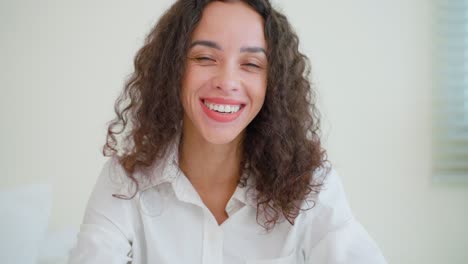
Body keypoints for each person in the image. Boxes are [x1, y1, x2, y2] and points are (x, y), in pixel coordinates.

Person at [68, 0, 387, 263]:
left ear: (271, 84)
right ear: (173, 69)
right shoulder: (125, 183)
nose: (227, 81)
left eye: (251, 64)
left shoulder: (311, 186)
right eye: (205, 58)